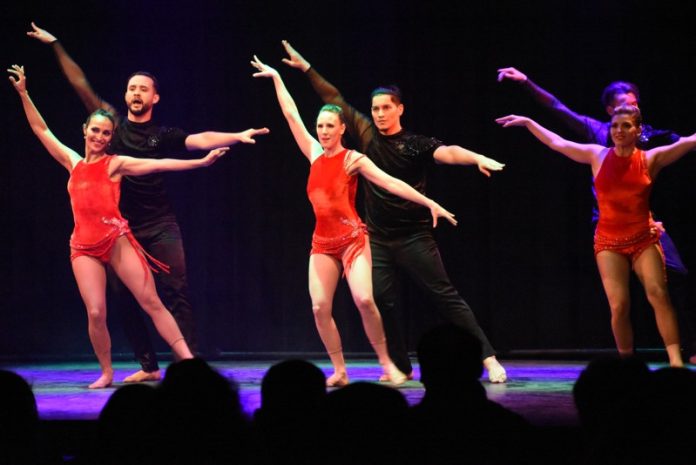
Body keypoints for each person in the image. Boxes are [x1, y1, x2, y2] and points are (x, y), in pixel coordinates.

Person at [27, 23, 270, 382]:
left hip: (159, 224)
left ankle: (188, 367)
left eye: (144, 88)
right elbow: (80, 85)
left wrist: (236, 135)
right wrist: (56, 45)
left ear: (155, 98)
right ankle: (149, 367)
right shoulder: (112, 128)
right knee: (123, 299)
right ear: (125, 97)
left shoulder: (161, 135)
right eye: (132, 88)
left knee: (175, 290)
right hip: (118, 227)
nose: (137, 92)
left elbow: (198, 140)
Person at [280, 41, 508, 383]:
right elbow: (334, 97)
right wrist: (307, 69)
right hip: (377, 238)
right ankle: (400, 366)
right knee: (380, 301)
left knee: (445, 296)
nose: (379, 114)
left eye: (386, 108)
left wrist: (475, 158)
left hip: (414, 236)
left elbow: (448, 152)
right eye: (375, 108)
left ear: (399, 109)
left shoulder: (414, 144)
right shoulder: (366, 137)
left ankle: (488, 358)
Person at [8, 64, 228, 388]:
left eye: (106, 133)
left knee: (151, 302)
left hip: (117, 241)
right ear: (85, 131)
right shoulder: (72, 162)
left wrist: (200, 161)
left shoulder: (116, 164)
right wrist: (24, 94)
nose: (99, 137)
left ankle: (189, 360)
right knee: (96, 312)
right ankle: (107, 372)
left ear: (111, 138)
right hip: (83, 247)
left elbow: (159, 164)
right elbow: (42, 130)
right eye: (95, 131)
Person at [251, 55, 457, 386]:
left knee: (364, 299)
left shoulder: (353, 159)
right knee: (319, 307)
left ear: (342, 129)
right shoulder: (313, 154)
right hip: (322, 244)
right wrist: (277, 77)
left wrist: (429, 202)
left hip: (353, 241)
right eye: (320, 126)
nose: (323, 131)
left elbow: (390, 182)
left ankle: (387, 364)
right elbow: (290, 113)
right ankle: (340, 370)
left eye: (329, 126)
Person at [497, 67, 696, 362]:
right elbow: (558, 138)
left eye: (627, 123)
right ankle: (627, 364)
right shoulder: (597, 149)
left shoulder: (651, 150)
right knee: (619, 305)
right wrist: (528, 120)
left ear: (637, 126)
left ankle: (679, 359)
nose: (619, 129)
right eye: (616, 122)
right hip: (609, 236)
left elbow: (688, 142)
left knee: (660, 292)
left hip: (644, 231)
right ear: (609, 116)